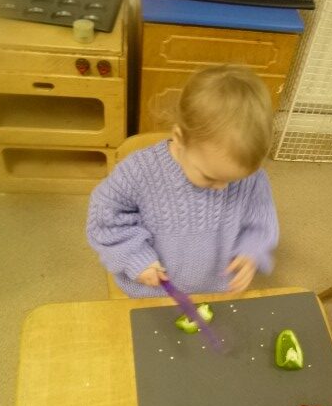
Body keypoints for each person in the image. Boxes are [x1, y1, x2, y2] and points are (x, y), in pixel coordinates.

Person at [86, 64, 279, 298]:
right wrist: (135, 258)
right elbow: (107, 221)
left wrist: (252, 251)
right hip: (153, 291)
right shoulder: (138, 172)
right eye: (210, 177)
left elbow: (261, 223)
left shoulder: (253, 179)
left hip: (215, 290)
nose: (222, 188)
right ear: (179, 138)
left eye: (234, 180)